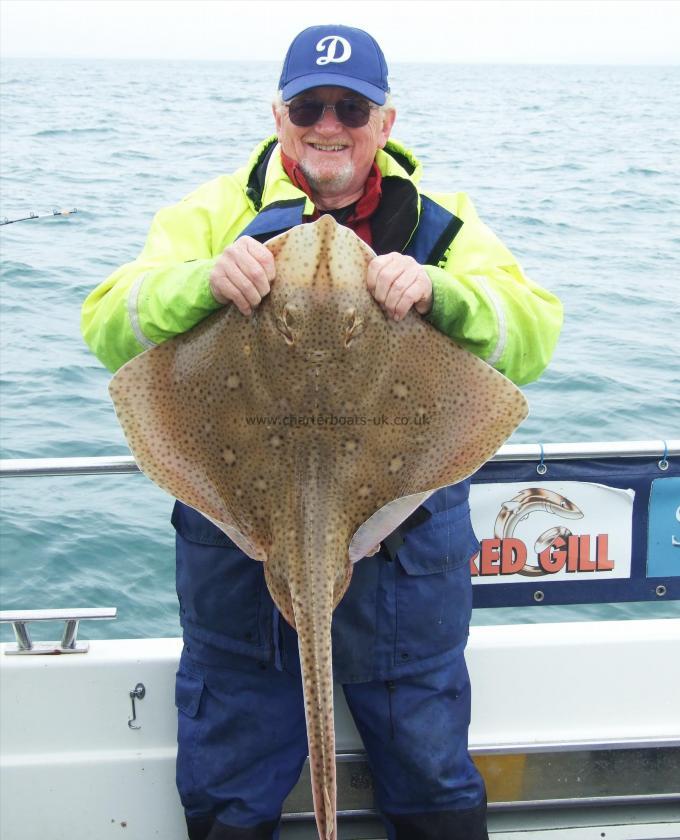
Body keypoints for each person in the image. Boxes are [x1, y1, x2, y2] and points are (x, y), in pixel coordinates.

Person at [82, 24, 562, 840]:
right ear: (279, 114)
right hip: (238, 524)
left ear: (386, 121)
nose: (328, 122)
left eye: (351, 106)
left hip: (403, 524)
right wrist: (202, 282)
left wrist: (442, 296)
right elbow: (107, 321)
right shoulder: (211, 212)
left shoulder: (440, 225)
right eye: (309, 104)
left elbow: (535, 334)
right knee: (232, 773)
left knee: (428, 762)